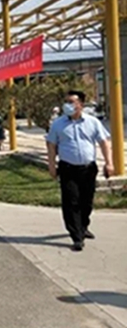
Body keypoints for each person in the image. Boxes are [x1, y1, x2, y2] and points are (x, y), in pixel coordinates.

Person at [46, 90, 114, 252]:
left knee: (86, 201)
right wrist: (51, 166)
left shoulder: (92, 122)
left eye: (71, 102)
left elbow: (104, 142)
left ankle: (83, 226)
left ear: (81, 105)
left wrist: (109, 163)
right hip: (68, 168)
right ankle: (77, 236)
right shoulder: (58, 124)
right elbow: (52, 146)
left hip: (88, 169)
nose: (67, 105)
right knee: (71, 201)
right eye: (66, 102)